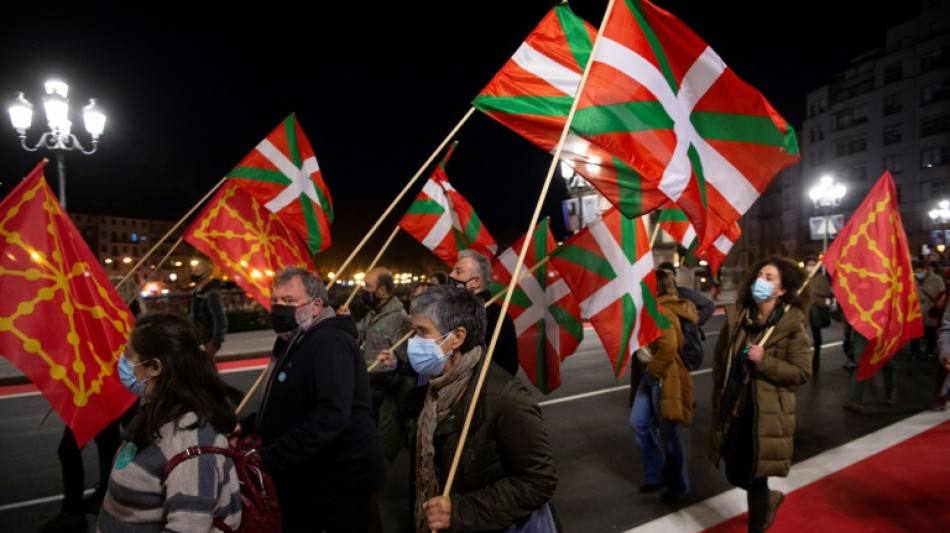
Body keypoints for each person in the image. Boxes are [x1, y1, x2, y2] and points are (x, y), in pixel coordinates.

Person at [235, 266, 383, 532]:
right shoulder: (294, 338)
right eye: (276, 300)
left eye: (289, 301)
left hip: (338, 483)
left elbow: (331, 415)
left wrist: (270, 458)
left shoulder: (329, 342)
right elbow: (291, 403)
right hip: (312, 479)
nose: (279, 308)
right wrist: (246, 426)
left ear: (316, 305)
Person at [399, 286, 557, 532]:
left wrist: (460, 511)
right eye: (414, 331)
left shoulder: (505, 396)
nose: (414, 342)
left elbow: (539, 480)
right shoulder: (427, 393)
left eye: (423, 332)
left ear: (457, 337)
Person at [96, 312, 242, 531]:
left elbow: (189, 526)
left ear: (154, 367)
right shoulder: (155, 414)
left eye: (128, 354)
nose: (122, 361)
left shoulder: (190, 442)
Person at [707, 256, 812, 533]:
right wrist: (719, 393)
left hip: (764, 416)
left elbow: (801, 372)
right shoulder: (738, 317)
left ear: (782, 290)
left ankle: (758, 522)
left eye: (769, 278)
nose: (760, 282)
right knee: (733, 472)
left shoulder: (790, 327)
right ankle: (770, 500)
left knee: (755, 480)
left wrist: (765, 362)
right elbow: (720, 359)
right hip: (734, 407)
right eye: (759, 275)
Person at [39, 277, 145, 532]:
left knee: (75, 448)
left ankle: (77, 508)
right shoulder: (110, 316)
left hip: (107, 392)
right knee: (109, 444)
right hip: (105, 392)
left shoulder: (125, 319)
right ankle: (102, 498)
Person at [629, 270, 696, 503]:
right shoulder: (649, 307)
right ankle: (656, 474)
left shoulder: (662, 309)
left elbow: (668, 345)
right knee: (638, 423)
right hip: (650, 375)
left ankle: (678, 485)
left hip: (662, 375)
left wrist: (652, 372)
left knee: (669, 432)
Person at [338, 266, 414, 462]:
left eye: (367, 285)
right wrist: (346, 323)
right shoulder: (373, 313)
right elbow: (357, 339)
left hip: (387, 394)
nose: (363, 289)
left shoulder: (399, 319)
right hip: (369, 389)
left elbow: (405, 363)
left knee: (382, 447)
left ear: (381, 290)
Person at [447, 249, 519, 376]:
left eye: (458, 272)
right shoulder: (462, 310)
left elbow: (506, 367)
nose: (451, 275)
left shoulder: (491, 315)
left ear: (476, 281)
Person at [843, 326, 896, 412]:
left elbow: (848, 315)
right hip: (882, 328)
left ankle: (856, 400)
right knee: (886, 360)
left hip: (864, 329)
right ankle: (890, 394)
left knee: (862, 364)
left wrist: (847, 336)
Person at [188, 259, 227, 357]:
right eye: (193, 270)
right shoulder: (196, 292)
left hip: (207, 339)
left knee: (205, 367)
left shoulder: (211, 293)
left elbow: (220, 319)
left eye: (197, 271)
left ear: (206, 274)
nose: (193, 273)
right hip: (197, 338)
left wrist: (215, 343)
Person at [657, 261, 715, 327]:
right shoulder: (655, 297)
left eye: (669, 273)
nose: (667, 277)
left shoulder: (685, 294)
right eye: (664, 275)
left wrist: (694, 325)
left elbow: (709, 305)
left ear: (675, 275)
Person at [804, 256, 833, 373]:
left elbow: (827, 292)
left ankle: (816, 356)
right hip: (804, 312)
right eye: (809, 264)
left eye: (813, 265)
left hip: (816, 310)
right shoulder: (803, 278)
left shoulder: (821, 278)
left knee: (816, 335)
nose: (810, 267)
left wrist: (814, 294)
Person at [912, 259, 944, 359]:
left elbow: (942, 293)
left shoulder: (937, 279)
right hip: (917, 311)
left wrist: (939, 303)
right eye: (915, 272)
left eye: (919, 272)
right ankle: (915, 352)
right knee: (915, 334)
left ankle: (929, 352)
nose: (917, 274)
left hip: (931, 310)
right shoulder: (913, 280)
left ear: (925, 269)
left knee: (930, 334)